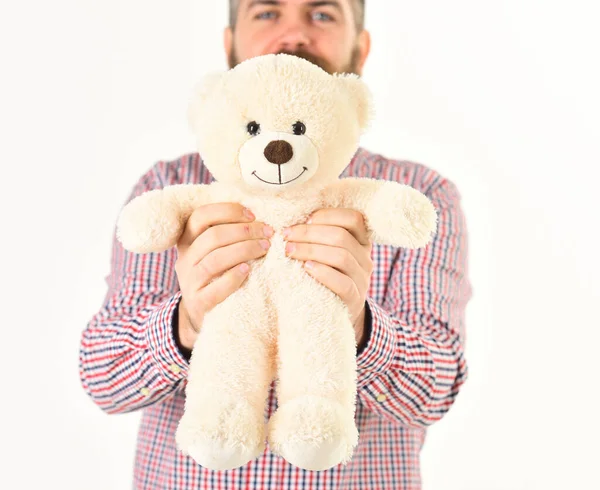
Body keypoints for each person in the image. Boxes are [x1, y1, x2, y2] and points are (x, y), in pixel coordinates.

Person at [79, 1, 473, 489]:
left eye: (323, 14)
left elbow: (435, 392)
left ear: (361, 49)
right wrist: (187, 320)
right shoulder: (171, 184)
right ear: (229, 47)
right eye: (267, 13)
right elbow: (102, 378)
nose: (294, 35)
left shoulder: (418, 195)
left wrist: (358, 326)